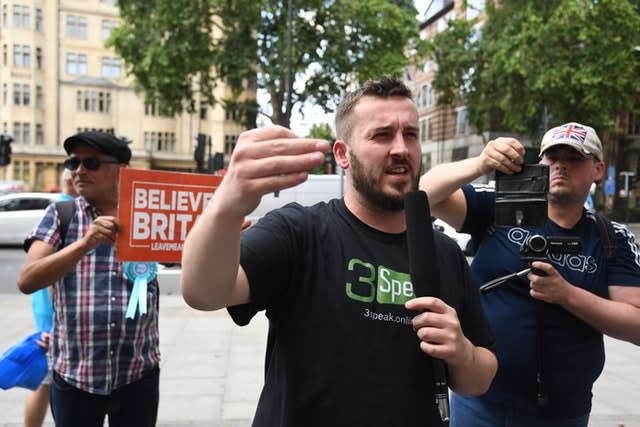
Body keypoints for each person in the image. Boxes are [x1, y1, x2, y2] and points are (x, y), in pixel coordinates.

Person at [180, 77, 497, 426]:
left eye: (410, 134)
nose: (401, 148)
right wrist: (227, 206)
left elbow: (480, 378)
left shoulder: (445, 252)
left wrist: (462, 354)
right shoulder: (300, 232)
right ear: (342, 154)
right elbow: (204, 291)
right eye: (381, 135)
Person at [420, 121, 640, 426]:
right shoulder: (501, 205)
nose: (561, 166)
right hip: (480, 401)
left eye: (574, 159)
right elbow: (421, 194)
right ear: (541, 163)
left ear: (598, 170)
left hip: (562, 411)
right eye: (553, 157)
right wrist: (481, 162)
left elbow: (636, 324)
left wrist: (566, 295)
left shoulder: (611, 237)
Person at [17, 131, 161, 427]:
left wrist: (222, 236)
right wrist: (84, 243)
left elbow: (192, 254)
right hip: (76, 376)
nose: (79, 171)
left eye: (91, 163)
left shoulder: (147, 215)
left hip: (137, 372)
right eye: (74, 162)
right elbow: (27, 279)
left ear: (121, 170)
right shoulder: (61, 214)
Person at [23, 169, 78, 427]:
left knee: (44, 384)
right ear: (71, 181)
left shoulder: (62, 208)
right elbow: (51, 269)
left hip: (46, 310)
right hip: (55, 315)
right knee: (46, 382)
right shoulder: (66, 211)